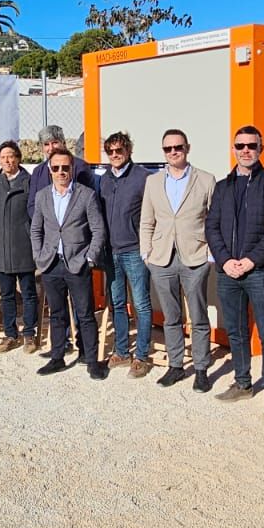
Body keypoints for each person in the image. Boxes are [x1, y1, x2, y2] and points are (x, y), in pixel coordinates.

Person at [206, 125, 264, 409]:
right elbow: (211, 226)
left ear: (260, 149)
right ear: (234, 149)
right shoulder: (222, 187)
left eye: (251, 145)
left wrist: (251, 260)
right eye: (240, 146)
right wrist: (226, 260)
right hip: (228, 271)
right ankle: (242, 382)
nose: (245, 151)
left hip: (260, 270)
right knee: (237, 330)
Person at [140, 128, 217, 392]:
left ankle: (201, 368)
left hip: (194, 257)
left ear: (187, 148)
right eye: (168, 148)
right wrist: (146, 253)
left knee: (198, 315)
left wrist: (210, 254)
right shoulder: (153, 182)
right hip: (161, 259)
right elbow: (146, 220)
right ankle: (175, 365)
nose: (174, 152)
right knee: (171, 316)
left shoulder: (206, 180)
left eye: (178, 147)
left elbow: (213, 220)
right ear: (163, 152)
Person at [31, 147, 108, 379]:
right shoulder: (42, 195)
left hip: (78, 264)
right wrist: (39, 255)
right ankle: (57, 357)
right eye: (56, 168)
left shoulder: (86, 195)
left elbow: (98, 229)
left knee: (85, 314)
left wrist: (90, 257)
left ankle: (92, 360)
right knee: (56, 314)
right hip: (51, 264)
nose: (61, 172)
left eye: (65, 167)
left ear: (72, 168)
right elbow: (36, 228)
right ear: (49, 170)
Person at [98, 131, 153, 377]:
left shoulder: (143, 177)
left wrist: (147, 245)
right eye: (109, 151)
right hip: (111, 252)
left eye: (118, 150)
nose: (114, 155)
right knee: (117, 303)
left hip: (135, 250)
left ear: (128, 151)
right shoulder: (105, 179)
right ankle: (121, 351)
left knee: (141, 303)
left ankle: (141, 355)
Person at [0, 140, 39, 353]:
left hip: (23, 245)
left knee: (28, 292)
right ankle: (10, 334)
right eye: (3, 157)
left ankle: (29, 333)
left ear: (18, 158)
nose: (7, 160)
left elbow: (34, 212)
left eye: (11, 156)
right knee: (6, 294)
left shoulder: (29, 182)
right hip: (1, 248)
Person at [27, 124, 94, 207]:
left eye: (55, 142)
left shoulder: (80, 167)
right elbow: (32, 204)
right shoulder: (38, 172)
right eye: (46, 144)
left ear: (63, 143)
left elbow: (87, 200)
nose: (51, 148)